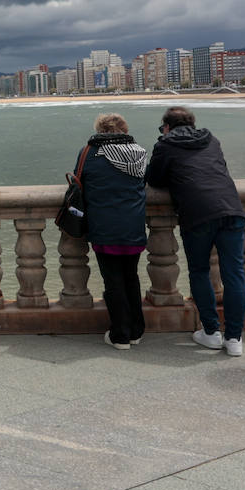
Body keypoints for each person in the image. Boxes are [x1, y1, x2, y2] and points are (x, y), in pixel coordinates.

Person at [146, 106, 245, 357]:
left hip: (197, 213)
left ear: (167, 127)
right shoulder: (211, 139)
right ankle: (234, 338)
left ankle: (211, 332)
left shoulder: (165, 144)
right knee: (234, 274)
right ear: (192, 124)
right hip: (231, 208)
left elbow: (154, 179)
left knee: (200, 271)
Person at [75, 113, 149, 350]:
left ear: (100, 130)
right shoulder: (140, 153)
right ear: (124, 129)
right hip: (134, 225)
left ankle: (120, 334)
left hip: (104, 225)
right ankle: (137, 331)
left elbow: (78, 180)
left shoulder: (90, 152)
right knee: (131, 277)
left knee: (113, 280)